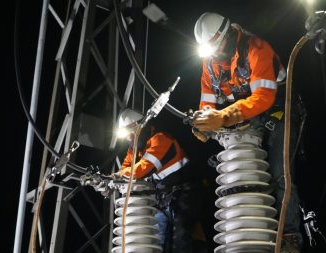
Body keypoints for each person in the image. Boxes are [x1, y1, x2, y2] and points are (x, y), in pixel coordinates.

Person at [190, 12, 303, 253]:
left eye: (215, 48)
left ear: (228, 37)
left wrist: (223, 116)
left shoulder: (256, 48)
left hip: (278, 110)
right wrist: (204, 122)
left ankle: (290, 234)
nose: (214, 54)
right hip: (245, 114)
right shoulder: (210, 64)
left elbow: (263, 97)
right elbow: (207, 100)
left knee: (278, 170)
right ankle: (240, 231)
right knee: (239, 168)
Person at [116, 108, 208, 253]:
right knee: (157, 242)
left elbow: (140, 170)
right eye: (126, 136)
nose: (129, 139)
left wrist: (122, 174)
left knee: (181, 237)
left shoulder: (161, 139)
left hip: (186, 192)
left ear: (140, 127)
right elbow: (125, 168)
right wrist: (122, 174)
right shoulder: (135, 149)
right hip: (164, 198)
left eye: (130, 134)